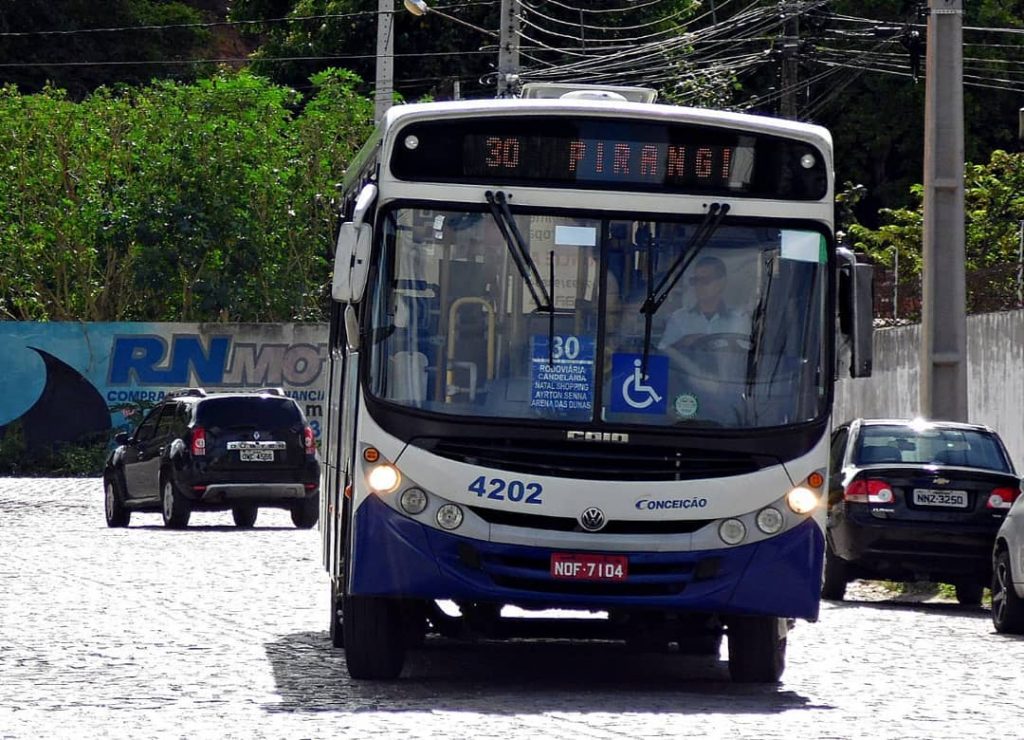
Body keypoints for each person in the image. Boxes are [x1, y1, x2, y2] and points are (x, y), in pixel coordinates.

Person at [657, 255, 748, 353]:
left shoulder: (739, 320)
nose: (698, 285)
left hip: (726, 368)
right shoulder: (678, 319)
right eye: (695, 281)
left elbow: (746, 356)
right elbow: (662, 354)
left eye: (705, 280)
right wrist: (682, 343)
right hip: (683, 369)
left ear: (721, 283)